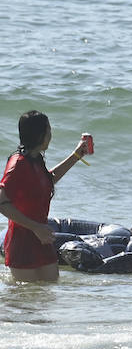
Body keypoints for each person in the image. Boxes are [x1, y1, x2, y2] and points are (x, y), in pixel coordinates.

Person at [0, 110, 91, 283]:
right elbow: (2, 202)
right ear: (39, 134)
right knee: (26, 300)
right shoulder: (17, 164)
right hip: (22, 242)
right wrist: (35, 227)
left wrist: (77, 155)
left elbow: (48, 180)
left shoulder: (36, 159)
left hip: (42, 238)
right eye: (48, 130)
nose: (51, 135)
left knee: (47, 296)